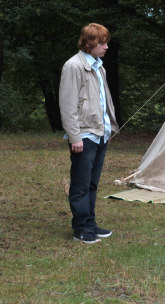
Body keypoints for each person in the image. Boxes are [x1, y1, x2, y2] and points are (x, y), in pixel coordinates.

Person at [59, 23, 119, 244]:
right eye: (102, 43)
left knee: (92, 183)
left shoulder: (99, 66)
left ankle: (90, 223)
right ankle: (81, 228)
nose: (106, 47)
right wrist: (75, 137)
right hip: (83, 136)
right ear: (89, 42)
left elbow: (104, 101)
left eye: (106, 42)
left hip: (100, 133)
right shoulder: (73, 66)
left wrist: (109, 127)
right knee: (81, 184)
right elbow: (67, 105)